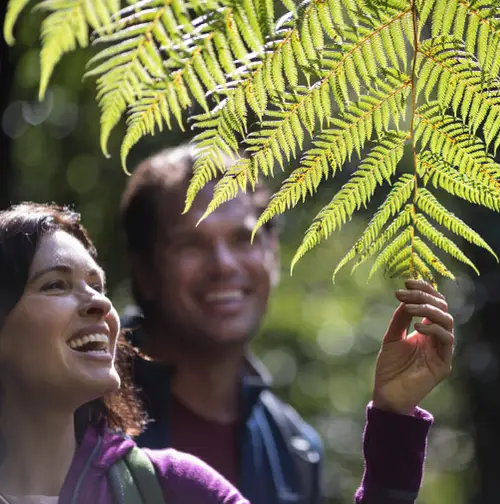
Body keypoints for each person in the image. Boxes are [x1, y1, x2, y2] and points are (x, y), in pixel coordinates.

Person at [0, 201, 454, 503]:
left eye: (98, 285)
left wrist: (394, 415)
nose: (99, 302)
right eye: (55, 284)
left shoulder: (175, 486)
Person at [118, 144, 455, 503]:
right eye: (190, 244)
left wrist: (393, 418)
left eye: (243, 238)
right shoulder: (84, 409)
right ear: (145, 271)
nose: (224, 265)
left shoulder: (294, 449)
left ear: (273, 255)